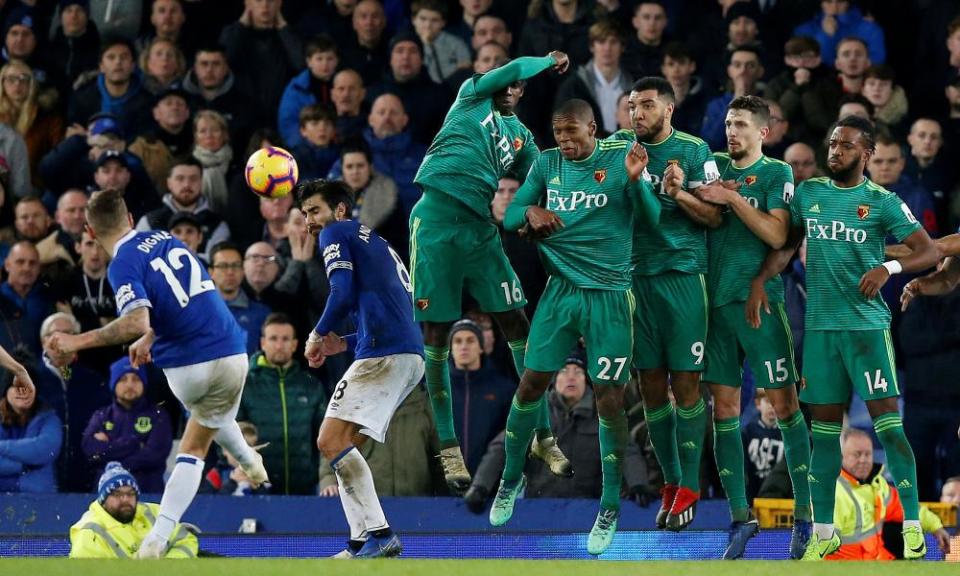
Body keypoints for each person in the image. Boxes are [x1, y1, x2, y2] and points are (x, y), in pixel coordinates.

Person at [747, 115, 939, 561]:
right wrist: (760, 280)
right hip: (820, 334)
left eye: (846, 145)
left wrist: (886, 268)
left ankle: (912, 525)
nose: (835, 151)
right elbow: (786, 245)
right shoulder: (810, 194)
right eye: (832, 143)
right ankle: (825, 530)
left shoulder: (883, 201)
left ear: (866, 154)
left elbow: (927, 250)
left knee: (890, 430)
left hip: (867, 331)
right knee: (825, 436)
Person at [48, 189, 267, 558]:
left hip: (188, 365)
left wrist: (76, 341)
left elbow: (136, 319)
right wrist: (152, 335)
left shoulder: (120, 264)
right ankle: (248, 461)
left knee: (195, 445)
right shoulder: (166, 237)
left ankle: (157, 538)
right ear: (130, 219)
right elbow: (179, 297)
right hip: (232, 350)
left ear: (89, 229)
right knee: (213, 414)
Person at [489, 99, 661, 556]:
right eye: (557, 132)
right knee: (530, 386)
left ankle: (608, 505)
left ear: (593, 128)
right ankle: (510, 481)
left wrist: (637, 180)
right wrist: (529, 212)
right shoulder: (546, 164)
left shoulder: (620, 156)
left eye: (571, 132)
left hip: (610, 297)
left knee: (608, 398)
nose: (564, 140)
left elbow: (652, 219)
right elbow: (507, 215)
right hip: (560, 292)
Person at [410, 50, 571, 494]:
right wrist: (546, 59)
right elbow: (517, 67)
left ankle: (542, 435)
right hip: (437, 222)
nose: (511, 88)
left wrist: (538, 210)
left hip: (480, 230)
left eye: (517, 86)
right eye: (505, 80)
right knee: (437, 334)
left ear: (521, 95)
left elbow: (542, 178)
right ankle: (448, 447)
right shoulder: (469, 99)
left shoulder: (520, 136)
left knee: (518, 323)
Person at [694, 95, 811, 559]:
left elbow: (779, 235)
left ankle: (804, 517)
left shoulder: (776, 173)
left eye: (741, 124)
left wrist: (731, 197)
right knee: (723, 411)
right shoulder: (712, 166)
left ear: (763, 131)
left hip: (760, 306)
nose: (731, 131)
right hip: (715, 306)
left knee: (784, 406)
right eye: (727, 123)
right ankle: (740, 518)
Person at [610, 76, 722, 531]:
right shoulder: (616, 148)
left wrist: (678, 193)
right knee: (651, 389)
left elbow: (716, 216)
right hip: (635, 277)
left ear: (669, 109)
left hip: (682, 277)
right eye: (632, 106)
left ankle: (692, 483)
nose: (637, 114)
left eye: (647, 106)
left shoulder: (696, 152)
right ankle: (672, 482)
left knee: (688, 386)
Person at [299, 179, 424, 558]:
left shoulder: (337, 231)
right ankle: (358, 543)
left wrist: (318, 334)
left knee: (328, 441)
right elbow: (391, 305)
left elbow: (340, 291)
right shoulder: (376, 241)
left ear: (339, 210)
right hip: (404, 353)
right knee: (343, 444)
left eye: (315, 211)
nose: (310, 222)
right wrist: (348, 341)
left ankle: (381, 534)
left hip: (384, 353)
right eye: (305, 214)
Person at [826, 428, 950, 560]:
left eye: (867, 454)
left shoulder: (878, 485)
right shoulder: (833, 493)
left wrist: (936, 527)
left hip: (876, 560)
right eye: (857, 454)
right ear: (839, 456)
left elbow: (907, 508)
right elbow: (825, 546)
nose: (863, 460)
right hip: (846, 566)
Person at [238, 313, 326, 495]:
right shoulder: (245, 385)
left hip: (305, 490)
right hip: (257, 489)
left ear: (295, 344)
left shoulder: (311, 385)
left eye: (285, 339)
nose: (279, 345)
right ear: (263, 343)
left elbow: (324, 436)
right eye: (273, 338)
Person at [69, 461, 198, 558]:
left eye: (131, 493)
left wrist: (170, 566)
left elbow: (186, 540)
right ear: (103, 500)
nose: (125, 499)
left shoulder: (155, 512)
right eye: (117, 494)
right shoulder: (89, 532)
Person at [81, 357, 172, 493]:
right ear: (114, 384)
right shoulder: (101, 416)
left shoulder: (158, 415)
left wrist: (113, 460)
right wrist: (134, 443)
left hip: (148, 493)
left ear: (144, 383)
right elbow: (90, 450)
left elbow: (155, 456)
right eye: (123, 379)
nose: (129, 385)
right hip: (106, 495)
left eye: (135, 379)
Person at [447, 318, 513, 474]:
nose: (464, 346)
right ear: (450, 348)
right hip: (443, 489)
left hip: (489, 486)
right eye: (458, 341)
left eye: (470, 341)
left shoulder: (504, 390)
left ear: (481, 347)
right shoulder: (436, 390)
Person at [554, 20, 633, 137]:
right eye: (601, 42)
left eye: (613, 42)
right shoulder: (574, 86)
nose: (607, 48)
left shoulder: (634, 85)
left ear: (622, 47)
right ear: (592, 46)